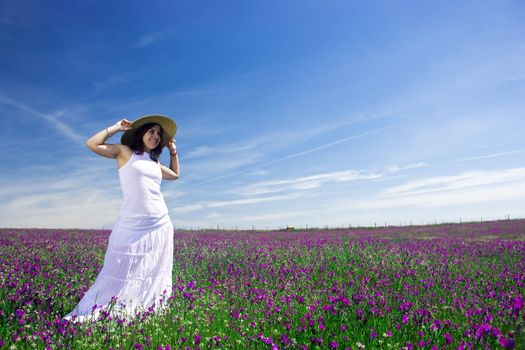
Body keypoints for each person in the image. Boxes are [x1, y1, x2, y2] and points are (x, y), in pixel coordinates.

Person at [63, 114, 179, 322]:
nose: (155, 136)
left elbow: (175, 175)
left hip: (159, 224)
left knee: (153, 270)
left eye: (158, 134)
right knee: (118, 269)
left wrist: (173, 152)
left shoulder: (154, 162)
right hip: (131, 224)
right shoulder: (125, 152)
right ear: (141, 133)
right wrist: (115, 127)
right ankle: (108, 307)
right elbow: (92, 144)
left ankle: (144, 308)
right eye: (151, 131)